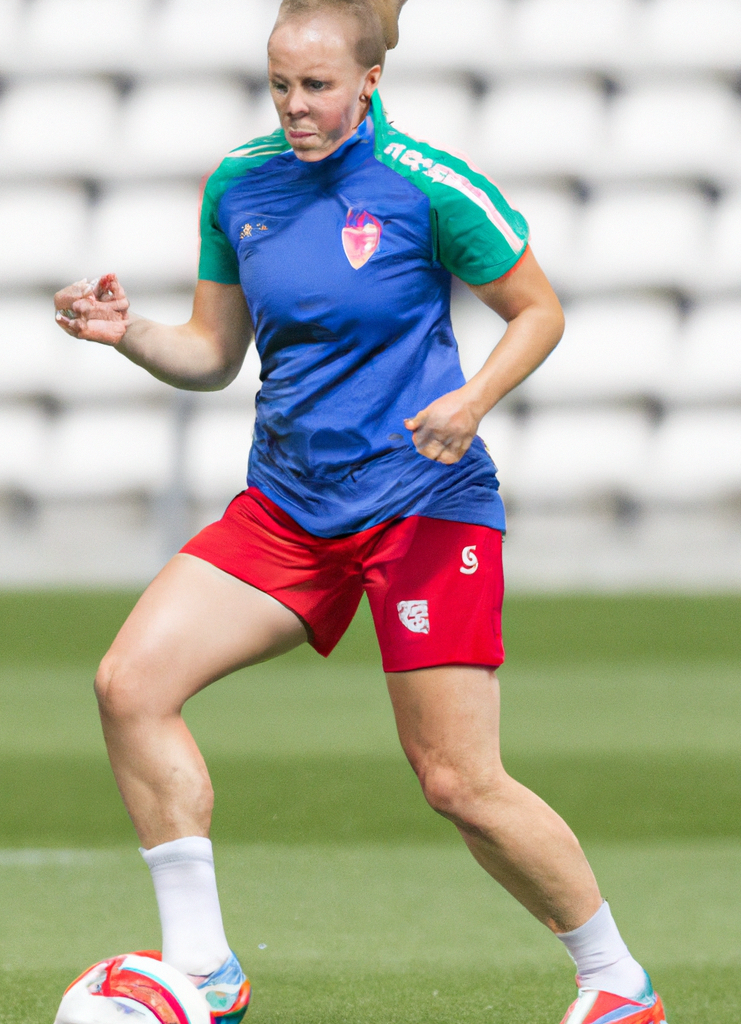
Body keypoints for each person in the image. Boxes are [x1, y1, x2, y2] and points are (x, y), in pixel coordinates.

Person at [54, 2, 666, 1023]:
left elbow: (537, 310)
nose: (295, 107)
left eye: (317, 87)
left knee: (457, 781)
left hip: (422, 507)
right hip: (287, 507)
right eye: (279, 86)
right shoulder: (237, 183)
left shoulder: (428, 186)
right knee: (128, 684)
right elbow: (212, 356)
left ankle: (614, 981)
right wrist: (130, 333)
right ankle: (203, 968)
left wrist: (471, 401)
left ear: (368, 82)